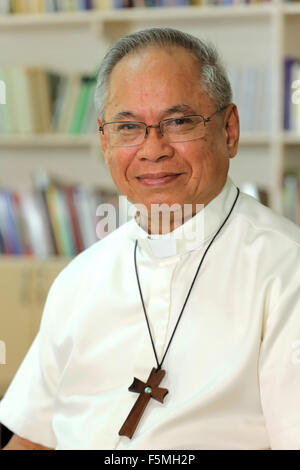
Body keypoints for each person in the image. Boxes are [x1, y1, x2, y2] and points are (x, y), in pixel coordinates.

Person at [1, 27, 300, 450]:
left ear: (229, 130)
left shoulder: (287, 272)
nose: (153, 149)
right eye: (128, 127)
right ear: (105, 143)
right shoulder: (78, 279)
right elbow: (32, 439)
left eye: (178, 122)